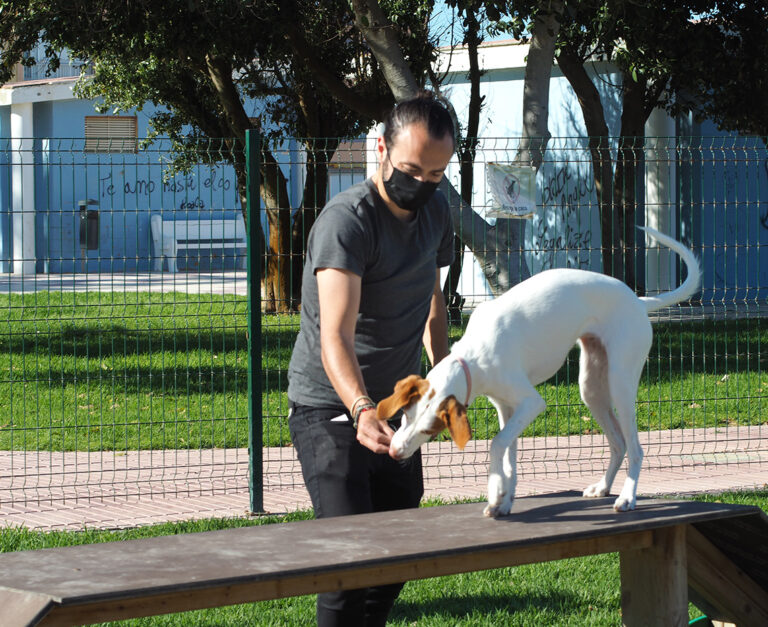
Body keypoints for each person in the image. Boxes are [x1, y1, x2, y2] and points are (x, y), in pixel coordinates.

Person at [287, 91, 456, 626]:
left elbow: (432, 306)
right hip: (330, 408)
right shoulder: (348, 222)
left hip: (398, 403)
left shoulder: (436, 213)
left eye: (435, 174)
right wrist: (361, 408)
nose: (421, 185)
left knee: (396, 554)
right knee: (348, 560)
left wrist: (445, 377)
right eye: (411, 169)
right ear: (381, 147)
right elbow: (334, 335)